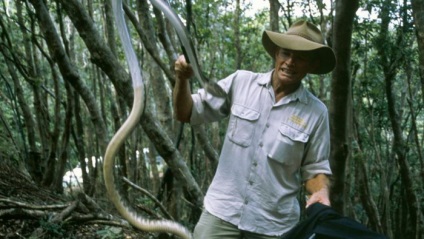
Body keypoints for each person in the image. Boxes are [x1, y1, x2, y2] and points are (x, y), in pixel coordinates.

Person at [173, 20, 336, 239]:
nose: (290, 62)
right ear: (276, 53)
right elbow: (188, 112)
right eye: (286, 53)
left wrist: (321, 191)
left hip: (273, 226)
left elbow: (315, 168)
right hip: (222, 213)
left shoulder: (316, 112)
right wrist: (182, 79)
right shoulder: (241, 82)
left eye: (301, 57)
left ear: (312, 65)